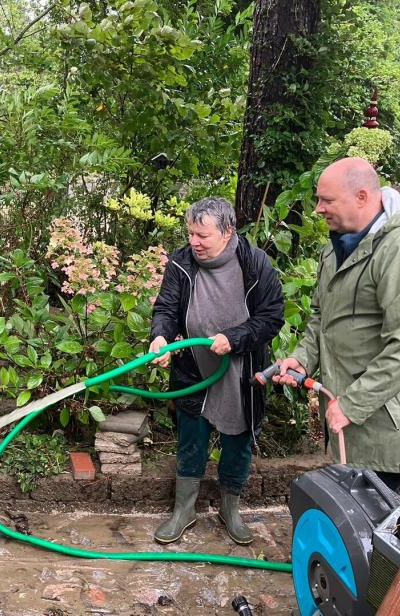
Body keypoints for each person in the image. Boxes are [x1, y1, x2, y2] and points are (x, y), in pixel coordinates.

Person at [149, 197, 283, 545]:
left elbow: (271, 318)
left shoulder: (256, 264)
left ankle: (230, 508)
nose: (194, 242)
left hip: (242, 372)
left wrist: (235, 339)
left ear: (227, 232)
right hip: (194, 368)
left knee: (238, 442)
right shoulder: (181, 261)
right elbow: (166, 308)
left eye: (202, 236)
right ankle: (184, 511)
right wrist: (160, 337)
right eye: (191, 233)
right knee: (191, 439)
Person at [275, 157, 400, 491]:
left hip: (386, 434)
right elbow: (321, 317)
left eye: (326, 200)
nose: (318, 209)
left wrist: (352, 404)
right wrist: (303, 357)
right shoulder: (333, 250)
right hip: (346, 425)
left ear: (362, 197)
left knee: (384, 532)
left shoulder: (394, 250)